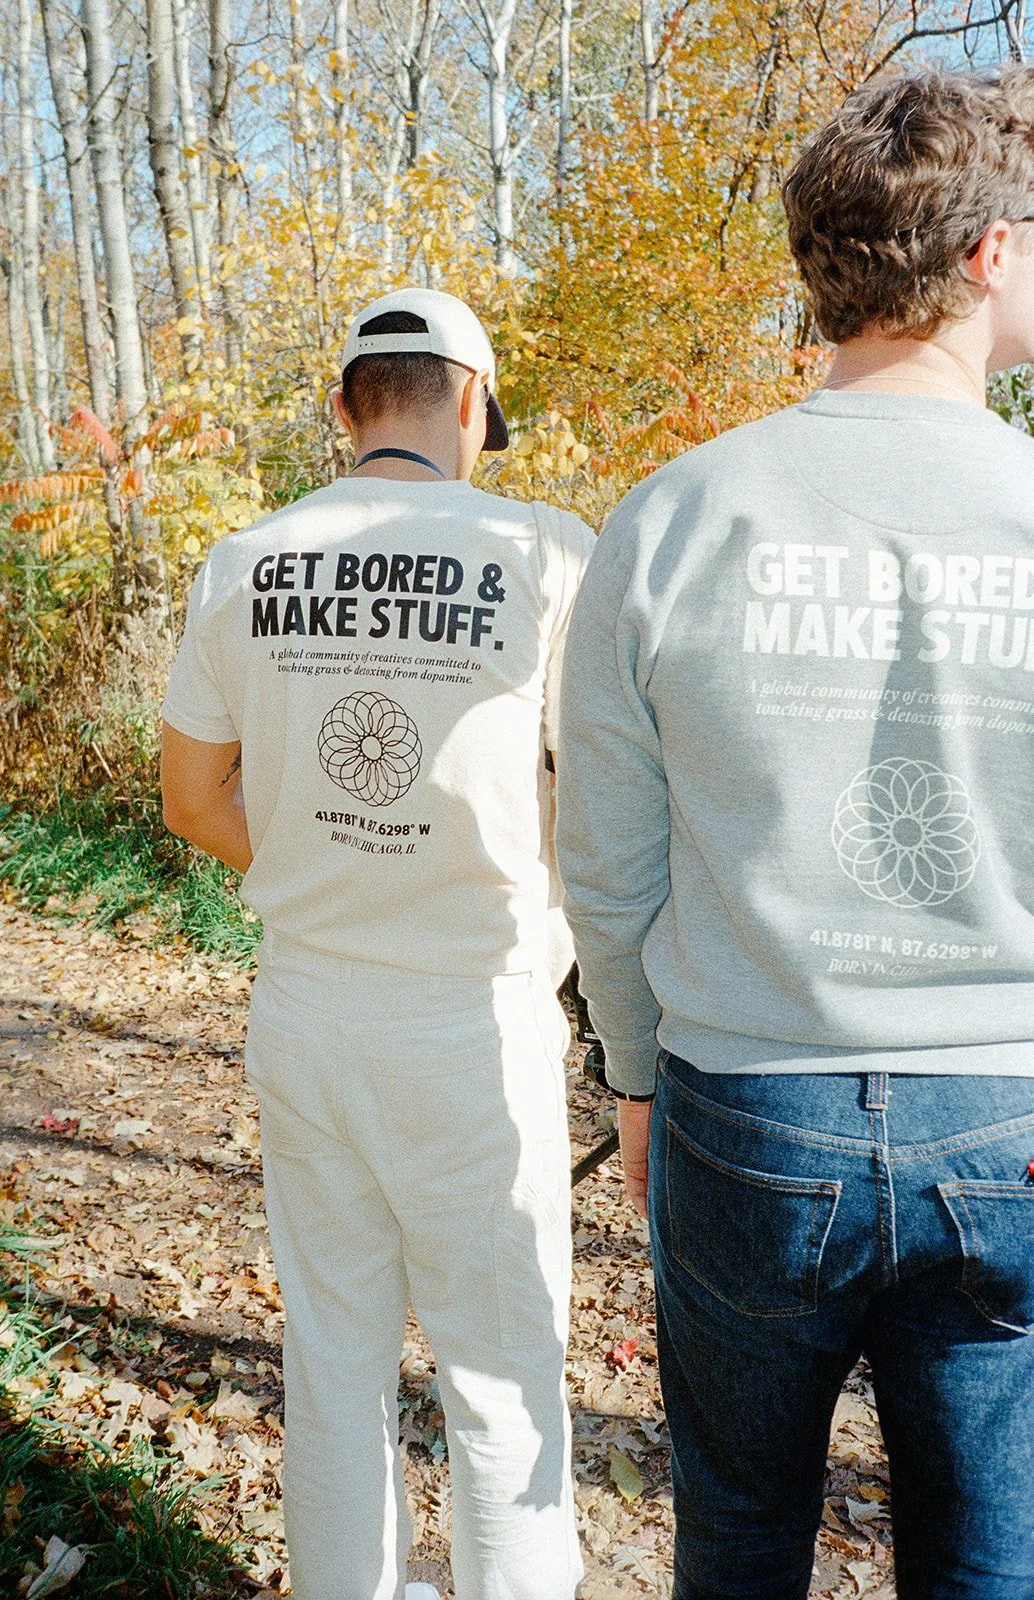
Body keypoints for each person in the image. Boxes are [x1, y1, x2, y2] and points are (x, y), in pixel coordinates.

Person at [556, 69, 1034, 1600]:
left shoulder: (679, 513)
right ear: (981, 258)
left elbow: (608, 855)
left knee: (742, 1540)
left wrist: (632, 1077)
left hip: (745, 1105)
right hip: (1009, 1112)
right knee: (991, 1562)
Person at [160, 287, 594, 1600]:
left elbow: (192, 799)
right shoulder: (545, 554)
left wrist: (317, 862)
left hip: (306, 1005)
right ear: (470, 402)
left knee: (337, 1361)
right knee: (501, 1384)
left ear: (344, 407)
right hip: (476, 1008)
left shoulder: (243, 560)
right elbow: (607, 801)